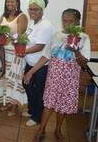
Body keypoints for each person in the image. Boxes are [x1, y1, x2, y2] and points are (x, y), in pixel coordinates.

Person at [27, 9, 90, 141]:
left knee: (63, 104)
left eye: (71, 21)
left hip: (70, 78)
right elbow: (46, 56)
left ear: (77, 22)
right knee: (49, 104)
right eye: (64, 21)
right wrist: (31, 71)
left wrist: (76, 52)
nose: (67, 24)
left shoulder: (83, 37)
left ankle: (58, 129)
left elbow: (84, 64)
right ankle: (41, 129)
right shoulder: (56, 36)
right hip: (54, 77)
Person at [21, 0, 55, 127]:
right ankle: (31, 110)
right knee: (27, 85)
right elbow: (27, 38)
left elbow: (40, 46)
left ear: (42, 10)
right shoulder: (32, 22)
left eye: (35, 9)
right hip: (30, 62)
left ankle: (36, 117)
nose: (32, 12)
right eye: (30, 9)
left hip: (41, 66)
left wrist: (23, 51)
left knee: (38, 91)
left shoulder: (46, 26)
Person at [0, 0, 28, 116]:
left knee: (15, 79)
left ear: (17, 3)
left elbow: (19, 36)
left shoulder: (22, 16)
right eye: (8, 1)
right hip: (3, 53)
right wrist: (1, 38)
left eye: (12, 1)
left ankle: (15, 105)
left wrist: (7, 38)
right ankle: (8, 102)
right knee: (5, 78)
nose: (9, 4)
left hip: (15, 53)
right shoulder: (3, 16)